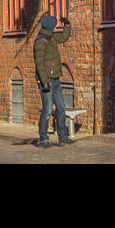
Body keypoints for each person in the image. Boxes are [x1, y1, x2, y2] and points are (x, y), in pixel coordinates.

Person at [33, 13, 72, 148]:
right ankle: (43, 137)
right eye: (54, 26)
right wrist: (44, 82)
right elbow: (40, 64)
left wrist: (67, 25)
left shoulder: (52, 38)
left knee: (61, 108)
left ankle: (63, 136)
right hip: (46, 81)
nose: (56, 29)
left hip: (55, 79)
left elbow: (64, 37)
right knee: (48, 110)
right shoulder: (40, 41)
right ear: (49, 27)